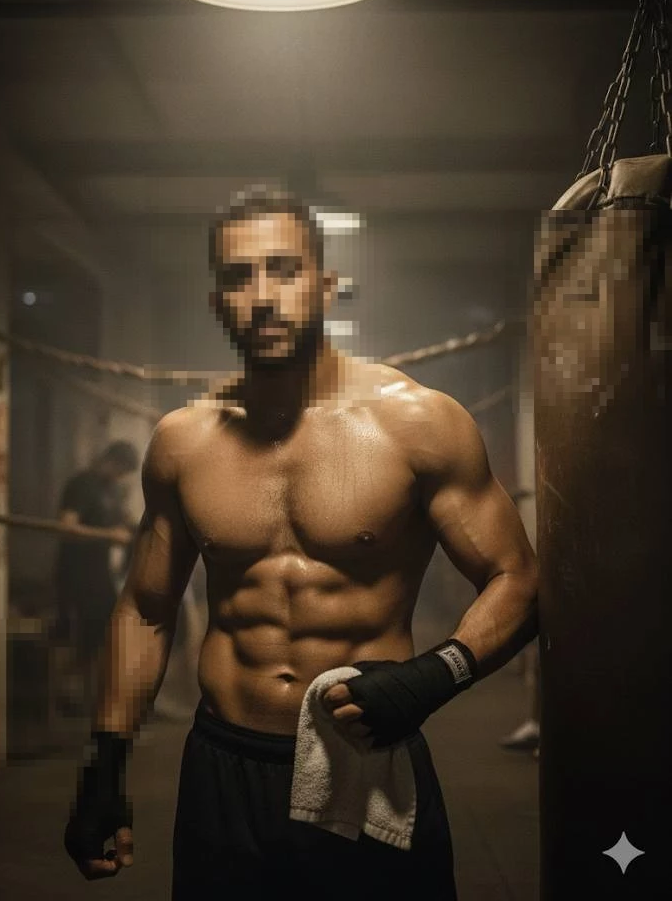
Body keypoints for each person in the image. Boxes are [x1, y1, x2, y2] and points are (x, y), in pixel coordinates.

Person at [63, 187, 539, 899]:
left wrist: (433, 678)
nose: (260, 296)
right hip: (222, 767)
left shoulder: (417, 424)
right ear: (217, 300)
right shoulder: (183, 442)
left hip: (364, 752)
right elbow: (146, 608)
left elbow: (517, 579)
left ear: (324, 283)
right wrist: (104, 763)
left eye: (283, 270)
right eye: (236, 277)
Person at [53, 440, 139, 714]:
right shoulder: (82, 484)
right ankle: (63, 695)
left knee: (104, 634)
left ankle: (91, 699)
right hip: (75, 573)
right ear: (110, 460)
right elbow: (66, 528)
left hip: (100, 574)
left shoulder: (112, 490)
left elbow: (121, 522)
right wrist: (109, 536)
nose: (120, 477)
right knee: (75, 636)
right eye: (120, 470)